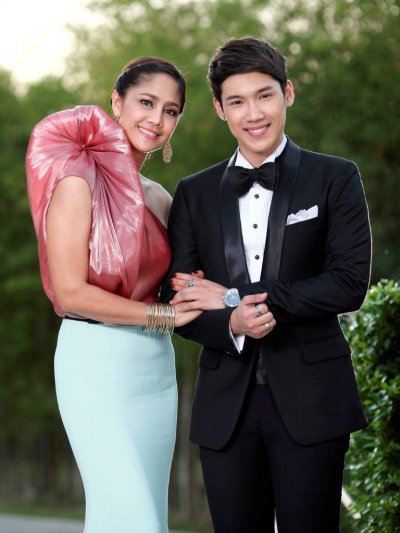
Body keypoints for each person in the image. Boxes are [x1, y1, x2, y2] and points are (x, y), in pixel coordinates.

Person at [161, 37, 372, 532]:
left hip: (314, 399)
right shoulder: (192, 193)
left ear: (287, 93)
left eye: (264, 96)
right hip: (225, 408)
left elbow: (348, 284)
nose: (253, 114)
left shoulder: (336, 177)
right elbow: (178, 299)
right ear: (220, 109)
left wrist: (234, 298)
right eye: (237, 101)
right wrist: (231, 322)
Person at [26, 57, 200, 533]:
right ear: (116, 102)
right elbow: (71, 293)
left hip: (155, 372)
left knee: (141, 518)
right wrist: (165, 317)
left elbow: (185, 281)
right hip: (94, 363)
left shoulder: (160, 198)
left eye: (170, 111)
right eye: (146, 102)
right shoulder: (77, 178)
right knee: (133, 519)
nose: (157, 119)